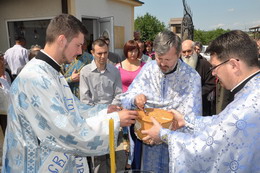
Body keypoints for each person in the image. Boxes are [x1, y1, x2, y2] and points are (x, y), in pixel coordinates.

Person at [1, 14, 138, 173]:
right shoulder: (36, 78)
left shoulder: (51, 72)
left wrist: (105, 110)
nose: (80, 51)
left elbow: (73, 107)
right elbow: (64, 130)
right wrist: (113, 121)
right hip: (35, 165)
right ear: (62, 40)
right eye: (78, 45)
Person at [143, 30, 260, 172]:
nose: (213, 73)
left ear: (234, 65)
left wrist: (163, 134)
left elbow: (207, 146)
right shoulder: (251, 91)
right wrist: (187, 121)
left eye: (215, 67)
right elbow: (221, 125)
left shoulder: (246, 106)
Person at [120, 30, 202, 172]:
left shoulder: (191, 77)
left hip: (176, 146)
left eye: (168, 60)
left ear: (178, 54)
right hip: (148, 144)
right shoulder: (148, 69)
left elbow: (192, 118)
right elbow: (126, 98)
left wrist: (165, 132)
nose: (162, 64)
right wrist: (135, 98)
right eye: (159, 58)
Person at [80, 38, 123, 172]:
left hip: (113, 119)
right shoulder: (85, 72)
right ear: (92, 52)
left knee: (117, 156)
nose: (103, 56)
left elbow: (119, 94)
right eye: (99, 53)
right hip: (95, 121)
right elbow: (85, 100)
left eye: (105, 52)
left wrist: (111, 111)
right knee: (98, 160)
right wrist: (103, 112)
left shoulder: (115, 71)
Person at [115, 40, 146, 169]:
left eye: (135, 50)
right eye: (130, 50)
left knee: (138, 137)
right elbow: (116, 88)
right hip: (124, 107)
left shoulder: (145, 66)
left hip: (140, 108)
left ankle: (136, 163)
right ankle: (127, 162)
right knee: (126, 138)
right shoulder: (118, 66)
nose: (132, 53)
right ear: (125, 51)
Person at [182, 40, 216, 116]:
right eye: (184, 52)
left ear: (194, 50)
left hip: (201, 104)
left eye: (189, 51)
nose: (186, 54)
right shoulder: (179, 64)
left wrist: (196, 93)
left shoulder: (205, 64)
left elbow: (211, 83)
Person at [63, 32, 93, 99]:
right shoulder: (64, 58)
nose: (81, 47)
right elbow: (57, 81)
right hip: (67, 96)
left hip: (85, 97)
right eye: (78, 45)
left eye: (83, 44)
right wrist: (71, 79)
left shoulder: (90, 59)